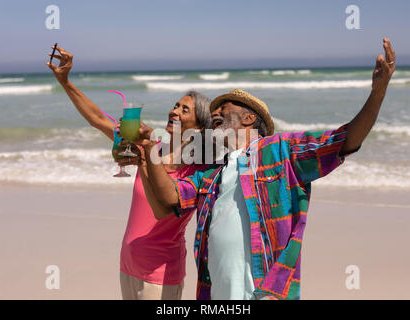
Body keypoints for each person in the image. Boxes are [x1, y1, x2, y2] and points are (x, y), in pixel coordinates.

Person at [134, 38, 396, 300]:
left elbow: (344, 140)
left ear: (249, 119)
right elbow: (170, 198)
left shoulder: (280, 151)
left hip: (264, 294)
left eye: (223, 109)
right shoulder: (211, 174)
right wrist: (148, 149)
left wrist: (378, 93)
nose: (215, 115)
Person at [46, 45, 212, 299]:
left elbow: (164, 209)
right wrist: (65, 82)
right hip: (129, 265)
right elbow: (98, 119)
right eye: (175, 105)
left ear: (200, 127)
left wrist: (145, 158)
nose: (174, 111)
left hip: (160, 275)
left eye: (184, 110)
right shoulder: (150, 148)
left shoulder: (195, 172)